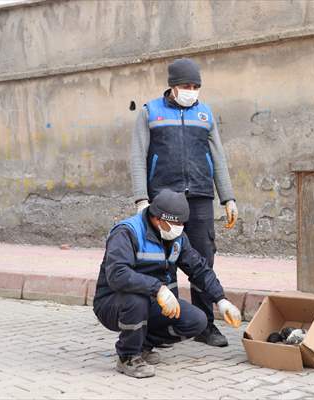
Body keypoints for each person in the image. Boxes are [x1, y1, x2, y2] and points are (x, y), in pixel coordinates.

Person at [130, 57, 238, 347]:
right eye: (186, 85)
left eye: (195, 86)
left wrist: (228, 198)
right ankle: (168, 322)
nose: (192, 90)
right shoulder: (150, 112)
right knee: (162, 261)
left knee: (203, 259)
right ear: (172, 86)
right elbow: (137, 157)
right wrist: (142, 198)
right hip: (163, 198)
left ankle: (205, 325)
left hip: (200, 196)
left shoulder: (205, 114)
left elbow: (218, 157)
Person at [93, 189, 242, 378]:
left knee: (197, 321)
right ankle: (128, 356)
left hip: (153, 299)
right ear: (157, 218)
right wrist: (157, 288)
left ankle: (142, 346)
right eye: (175, 222)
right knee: (136, 300)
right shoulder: (126, 232)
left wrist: (221, 300)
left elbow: (199, 269)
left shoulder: (176, 237)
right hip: (114, 302)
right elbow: (118, 274)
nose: (179, 227)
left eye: (182, 223)